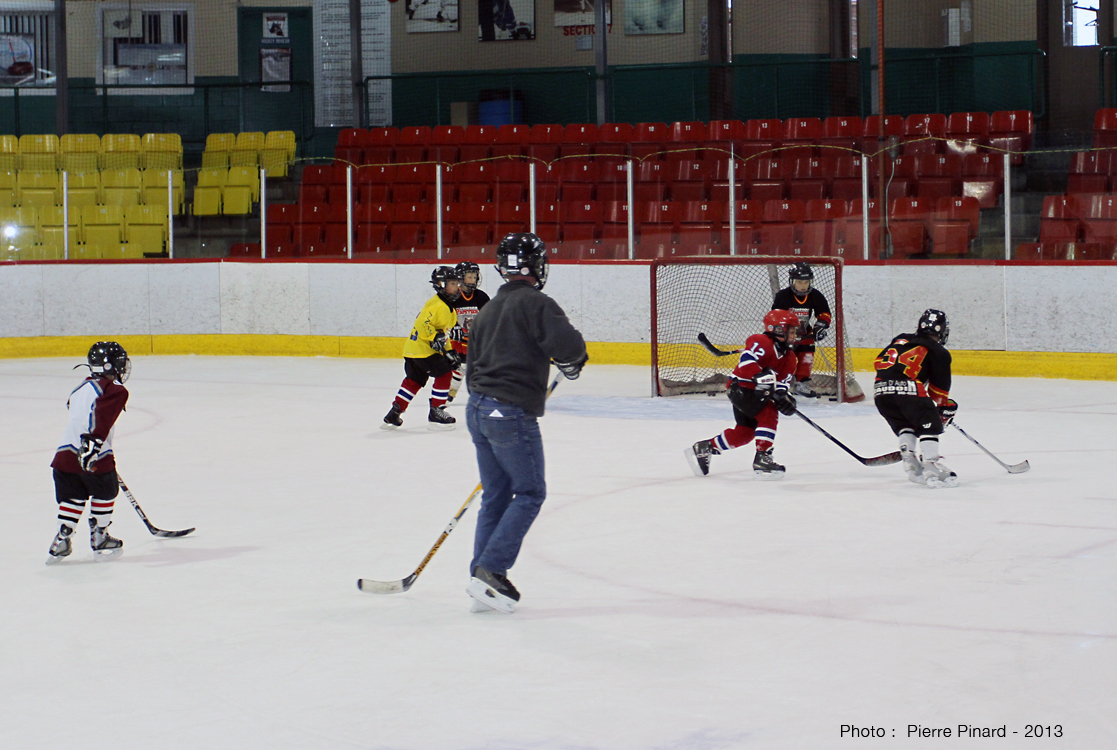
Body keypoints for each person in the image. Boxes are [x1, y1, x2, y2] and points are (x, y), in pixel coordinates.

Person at [464, 233, 587, 614]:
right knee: (530, 493)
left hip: (478, 410)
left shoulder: (487, 309)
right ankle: (491, 570)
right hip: (509, 413)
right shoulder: (537, 303)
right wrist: (571, 363)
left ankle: (480, 579)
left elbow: (471, 367)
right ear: (537, 266)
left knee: (496, 495)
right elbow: (571, 349)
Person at [686, 309, 801, 479]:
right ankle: (762, 457)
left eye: (794, 331)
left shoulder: (790, 358)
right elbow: (746, 359)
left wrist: (784, 398)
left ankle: (705, 448)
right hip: (741, 387)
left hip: (756, 393)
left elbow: (782, 384)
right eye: (790, 330)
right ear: (777, 329)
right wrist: (758, 375)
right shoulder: (762, 341)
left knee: (745, 433)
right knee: (768, 411)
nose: (794, 335)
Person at [47, 341, 131, 563]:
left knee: (73, 496)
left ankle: (62, 538)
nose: (122, 368)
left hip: (65, 456)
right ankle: (100, 535)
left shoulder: (80, 388)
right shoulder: (114, 390)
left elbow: (74, 412)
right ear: (108, 366)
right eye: (119, 363)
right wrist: (92, 445)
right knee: (106, 492)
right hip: (94, 456)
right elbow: (101, 418)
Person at [873, 309, 958, 488]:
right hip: (909, 391)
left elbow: (885, 365)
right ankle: (931, 464)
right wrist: (947, 408)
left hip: (881, 392)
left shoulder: (901, 338)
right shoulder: (939, 352)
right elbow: (939, 395)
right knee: (929, 426)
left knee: (906, 425)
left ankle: (910, 461)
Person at [382, 266, 464, 431]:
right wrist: (434, 338)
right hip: (423, 350)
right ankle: (437, 411)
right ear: (441, 284)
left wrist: (448, 351)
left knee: (414, 380)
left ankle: (395, 411)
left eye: (457, 283)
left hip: (412, 350)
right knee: (445, 373)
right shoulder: (439, 305)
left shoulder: (444, 304)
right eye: (453, 284)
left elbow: (443, 333)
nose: (457, 287)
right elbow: (422, 324)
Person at [771, 262, 832, 399]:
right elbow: (775, 316)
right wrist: (782, 335)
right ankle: (780, 383)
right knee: (785, 358)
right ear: (792, 281)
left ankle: (801, 382)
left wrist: (820, 326)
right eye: (799, 282)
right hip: (786, 335)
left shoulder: (816, 295)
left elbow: (824, 313)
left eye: (806, 282)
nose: (803, 285)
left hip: (805, 334)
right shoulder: (783, 296)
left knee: (808, 356)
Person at [447, 260, 491, 403]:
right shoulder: (452, 296)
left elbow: (489, 318)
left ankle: (480, 396)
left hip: (475, 343)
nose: (473, 280)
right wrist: (453, 327)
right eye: (469, 276)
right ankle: (449, 394)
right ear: (460, 277)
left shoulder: (481, 297)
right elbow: (444, 316)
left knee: (477, 371)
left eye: (474, 277)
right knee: (458, 369)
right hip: (457, 342)